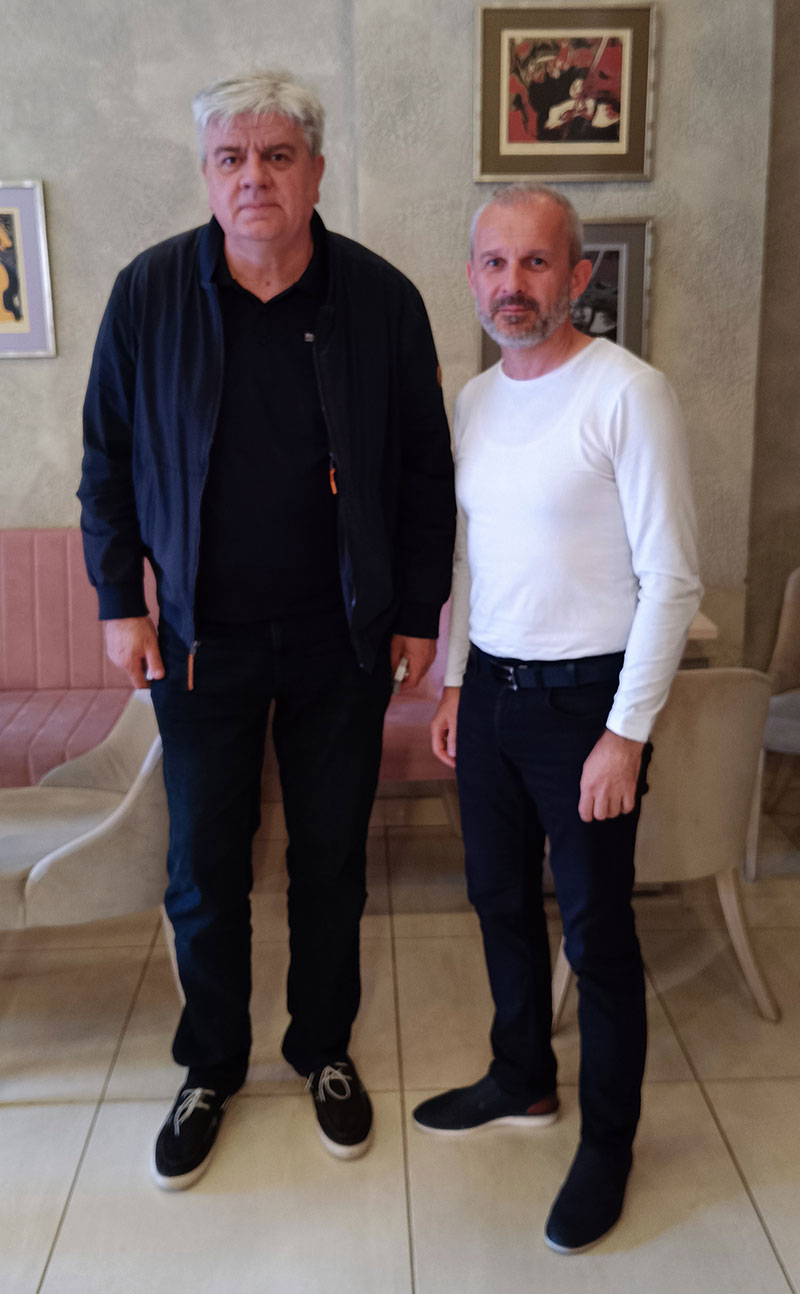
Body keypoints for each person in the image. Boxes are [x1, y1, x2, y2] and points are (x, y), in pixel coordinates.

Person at [79, 69, 455, 1190]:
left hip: (344, 640)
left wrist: (419, 612)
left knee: (331, 859)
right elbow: (106, 462)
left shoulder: (381, 300)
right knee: (204, 866)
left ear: (316, 172)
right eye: (232, 158)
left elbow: (424, 469)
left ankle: (321, 1047)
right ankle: (212, 1062)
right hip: (200, 643)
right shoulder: (148, 294)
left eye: (277, 156)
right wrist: (118, 600)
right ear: (206, 175)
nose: (255, 178)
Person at [412, 184, 701, 1254]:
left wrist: (625, 733)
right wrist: (455, 681)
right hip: (491, 692)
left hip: (588, 704)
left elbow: (672, 580)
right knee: (496, 899)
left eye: (535, 262)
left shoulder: (629, 393)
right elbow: (469, 558)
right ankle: (522, 1076)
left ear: (577, 276)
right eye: (493, 263)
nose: (511, 285)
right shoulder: (475, 400)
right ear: (472, 276)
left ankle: (607, 1143)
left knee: (597, 932)